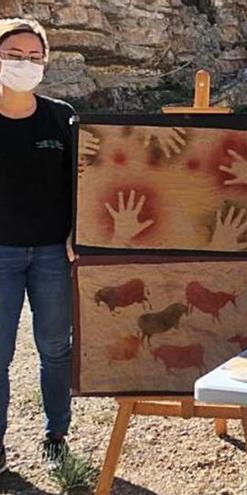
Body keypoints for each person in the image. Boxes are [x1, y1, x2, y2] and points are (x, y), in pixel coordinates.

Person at [0, 18, 78, 474]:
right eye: (13, 55)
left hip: (52, 253)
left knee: (55, 348)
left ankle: (56, 434)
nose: (23, 64)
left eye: (33, 57)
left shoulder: (61, 117)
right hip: (0, 253)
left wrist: (77, 231)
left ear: (45, 64)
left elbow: (84, 181)